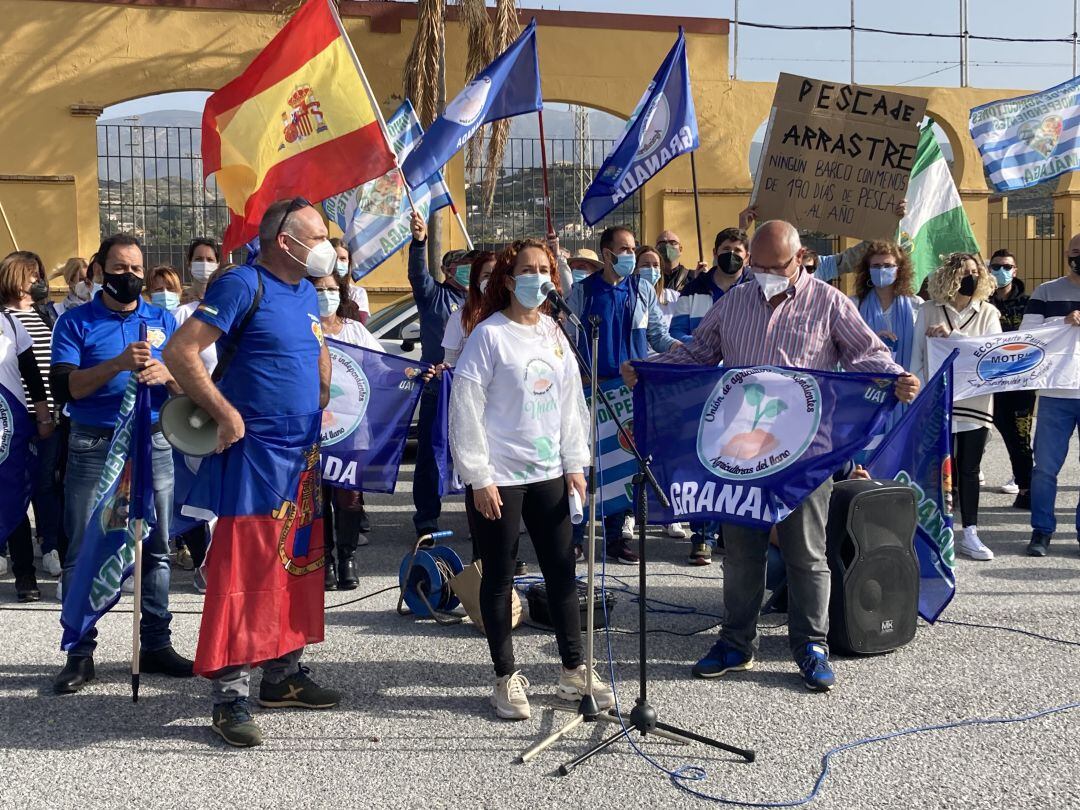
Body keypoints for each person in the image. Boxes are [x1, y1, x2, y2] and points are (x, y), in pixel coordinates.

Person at [622, 219, 920, 692]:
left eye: (772, 266)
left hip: (806, 455)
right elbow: (699, 355)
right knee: (741, 555)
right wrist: (648, 370)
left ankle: (811, 645)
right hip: (744, 452)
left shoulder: (829, 303)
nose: (760, 273)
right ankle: (736, 643)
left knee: (807, 553)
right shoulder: (735, 302)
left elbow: (866, 355)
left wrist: (897, 376)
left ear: (799, 259)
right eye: (755, 265)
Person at [164, 198, 340, 748]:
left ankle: (282, 675)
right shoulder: (243, 284)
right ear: (285, 241)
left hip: (301, 455)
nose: (327, 247)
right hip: (256, 454)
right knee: (247, 571)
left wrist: (324, 393)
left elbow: (312, 353)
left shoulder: (308, 290)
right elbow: (181, 351)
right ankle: (229, 696)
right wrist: (226, 413)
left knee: (297, 562)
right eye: (317, 236)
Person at [449, 237, 613, 720]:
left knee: (562, 575)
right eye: (528, 268)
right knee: (499, 578)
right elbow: (466, 408)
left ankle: (573, 670)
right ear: (507, 277)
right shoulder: (489, 336)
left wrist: (574, 464)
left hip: (549, 476)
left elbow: (569, 407)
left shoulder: (555, 334)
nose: (537, 277)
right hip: (500, 476)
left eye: (544, 269)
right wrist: (478, 476)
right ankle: (504, 678)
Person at [49, 232, 193, 693]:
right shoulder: (75, 323)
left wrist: (168, 374)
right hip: (95, 444)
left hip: (152, 442)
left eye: (135, 269)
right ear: (98, 271)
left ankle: (154, 643)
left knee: (156, 545)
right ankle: (80, 650)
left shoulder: (162, 319)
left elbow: (185, 383)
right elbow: (68, 388)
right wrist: (116, 364)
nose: (128, 277)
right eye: (119, 269)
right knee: (84, 547)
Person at [566, 225, 679, 564]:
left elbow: (658, 337)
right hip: (591, 393)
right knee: (585, 466)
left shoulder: (642, 290)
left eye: (633, 249)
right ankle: (575, 537)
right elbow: (569, 339)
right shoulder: (583, 293)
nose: (631, 255)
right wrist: (580, 374)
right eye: (625, 249)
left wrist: (691, 354)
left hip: (629, 394)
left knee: (623, 466)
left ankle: (615, 538)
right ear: (606, 254)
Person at [669, 227, 752, 565]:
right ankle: (701, 536)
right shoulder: (694, 288)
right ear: (715, 250)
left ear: (746, 257)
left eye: (738, 249)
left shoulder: (754, 290)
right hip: (702, 387)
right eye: (726, 247)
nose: (731, 253)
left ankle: (727, 533)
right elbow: (675, 331)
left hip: (742, 391)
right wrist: (705, 347)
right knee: (702, 459)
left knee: (736, 459)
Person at [911, 253, 1001, 562]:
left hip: (975, 403)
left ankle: (971, 532)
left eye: (975, 272)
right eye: (964, 272)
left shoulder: (988, 312)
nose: (971, 277)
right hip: (938, 402)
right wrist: (924, 398)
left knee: (969, 469)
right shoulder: (928, 310)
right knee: (939, 471)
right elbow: (916, 358)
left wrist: (954, 337)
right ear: (949, 275)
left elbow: (990, 355)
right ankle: (939, 529)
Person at [1, 252, 65, 592]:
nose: (37, 281)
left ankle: (51, 546)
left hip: (46, 416)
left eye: (40, 275)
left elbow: (48, 369)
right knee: (15, 489)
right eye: (31, 275)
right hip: (10, 417)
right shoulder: (5, 320)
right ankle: (23, 569)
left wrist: (48, 413)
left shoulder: (47, 314)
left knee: (46, 486)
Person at [313, 269, 378, 590]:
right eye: (318, 289)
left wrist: (412, 373)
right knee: (318, 499)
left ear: (341, 294)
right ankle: (323, 560)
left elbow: (380, 368)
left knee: (349, 498)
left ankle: (347, 558)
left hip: (352, 430)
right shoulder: (301, 330)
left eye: (330, 289)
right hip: (313, 432)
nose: (325, 295)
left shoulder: (355, 331)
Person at [407, 213, 468, 541]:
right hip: (438, 387)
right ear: (447, 270)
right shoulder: (435, 297)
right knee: (431, 455)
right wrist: (419, 242)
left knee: (476, 454)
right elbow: (418, 276)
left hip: (473, 388)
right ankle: (427, 520)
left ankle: (481, 517)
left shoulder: (484, 302)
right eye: (461, 264)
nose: (468, 269)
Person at [1020, 234, 1080, 557]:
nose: (1078, 257)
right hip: (1056, 394)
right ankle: (1041, 531)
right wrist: (1062, 322)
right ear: (1067, 255)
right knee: (1044, 468)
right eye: (1075, 253)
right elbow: (1027, 338)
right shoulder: (1046, 292)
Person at [850, 241, 922, 437]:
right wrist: (872, 340)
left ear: (900, 270)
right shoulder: (854, 305)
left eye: (888, 266)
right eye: (876, 266)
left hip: (906, 393)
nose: (882, 270)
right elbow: (845, 349)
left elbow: (924, 351)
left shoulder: (917, 306)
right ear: (868, 270)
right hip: (866, 396)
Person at [986, 249, 1034, 509]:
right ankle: (958, 487)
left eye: (1006, 266)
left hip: (1020, 384)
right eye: (995, 267)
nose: (1000, 271)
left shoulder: (1029, 303)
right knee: (973, 436)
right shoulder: (980, 302)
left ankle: (1026, 488)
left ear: (1015, 271)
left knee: (1019, 438)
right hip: (984, 382)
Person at [442, 251, 496, 367]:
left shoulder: (518, 315)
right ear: (477, 281)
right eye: (487, 276)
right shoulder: (460, 318)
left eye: (498, 275)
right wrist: (444, 371)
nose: (493, 281)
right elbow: (450, 364)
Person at [330, 237, 370, 325]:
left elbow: (359, 324)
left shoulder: (357, 293)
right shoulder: (314, 289)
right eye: (334, 258)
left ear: (349, 262)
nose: (338, 262)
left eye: (343, 258)